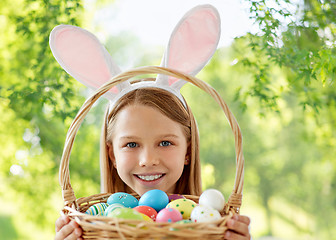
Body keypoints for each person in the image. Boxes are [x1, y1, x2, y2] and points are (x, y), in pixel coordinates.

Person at [49, 4, 251, 240]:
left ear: (188, 150)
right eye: (131, 144)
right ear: (112, 154)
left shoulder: (212, 222)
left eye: (165, 143)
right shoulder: (94, 225)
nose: (148, 160)